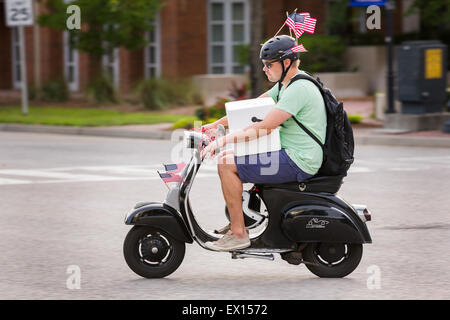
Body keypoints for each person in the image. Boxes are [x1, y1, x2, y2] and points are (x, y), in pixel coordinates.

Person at [200, 35, 327, 251]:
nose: (265, 69)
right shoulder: (286, 85)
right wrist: (212, 126)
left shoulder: (298, 89)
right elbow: (253, 109)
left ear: (286, 63)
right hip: (290, 154)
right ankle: (237, 223)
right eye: (263, 65)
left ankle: (239, 234)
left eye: (269, 64)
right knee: (227, 158)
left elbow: (264, 127)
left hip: (299, 160)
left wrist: (222, 141)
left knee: (226, 164)